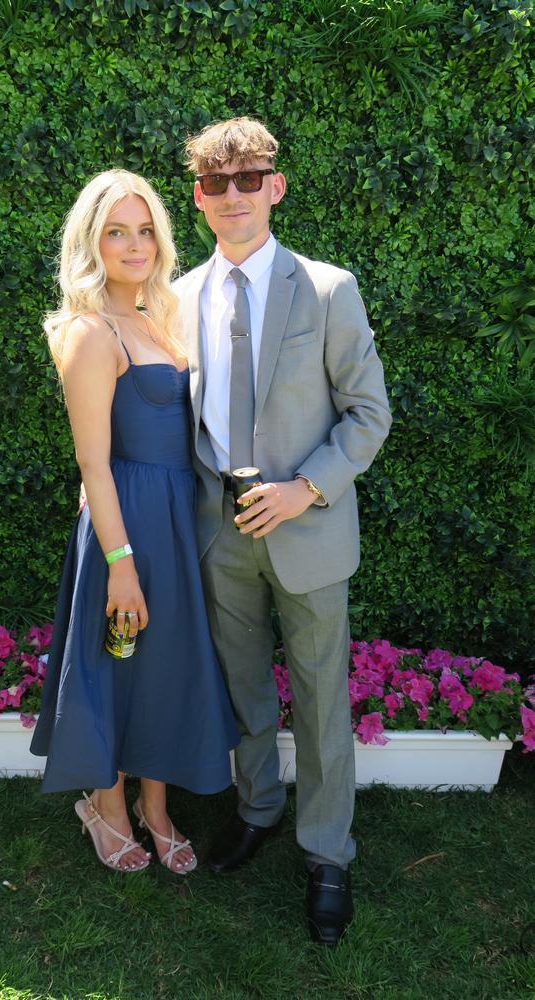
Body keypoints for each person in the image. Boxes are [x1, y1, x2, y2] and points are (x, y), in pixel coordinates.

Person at [174, 118, 392, 942]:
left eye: (248, 178)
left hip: (308, 529)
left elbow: (370, 414)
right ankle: (258, 807)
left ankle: (327, 852)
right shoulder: (182, 293)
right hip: (218, 531)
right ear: (198, 198)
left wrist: (307, 490)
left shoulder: (329, 289)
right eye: (216, 183)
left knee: (321, 695)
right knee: (244, 690)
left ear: (276, 185)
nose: (233, 195)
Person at [30, 169, 239, 875]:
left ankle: (157, 807)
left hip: (180, 523)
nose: (134, 244)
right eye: (116, 231)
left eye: (145, 228)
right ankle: (107, 804)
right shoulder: (90, 331)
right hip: (127, 529)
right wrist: (120, 564)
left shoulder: (165, 315)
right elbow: (93, 463)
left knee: (168, 666)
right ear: (92, 242)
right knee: (117, 664)